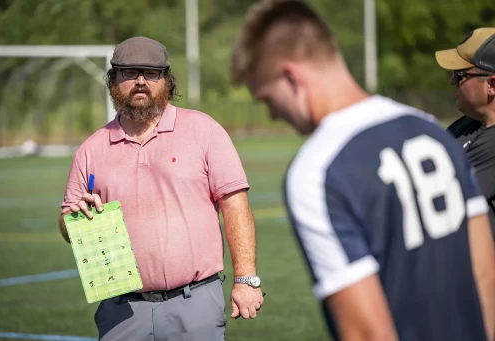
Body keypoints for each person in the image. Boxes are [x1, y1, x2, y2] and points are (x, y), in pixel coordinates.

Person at [230, 1, 495, 340]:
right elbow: (483, 267)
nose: (271, 116)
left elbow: (367, 332)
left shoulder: (316, 170)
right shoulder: (427, 127)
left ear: (291, 77)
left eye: (266, 99)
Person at [58, 36, 264, 341]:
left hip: (194, 304)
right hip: (122, 310)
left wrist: (246, 278)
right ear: (112, 80)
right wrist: (74, 220)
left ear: (167, 81)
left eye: (151, 73)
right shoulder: (91, 149)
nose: (140, 81)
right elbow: (66, 223)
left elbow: (236, 205)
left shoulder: (203, 130)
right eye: (129, 73)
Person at [435, 28, 495, 239]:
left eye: (460, 75)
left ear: (492, 85)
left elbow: (444, 204)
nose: (452, 81)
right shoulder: (466, 125)